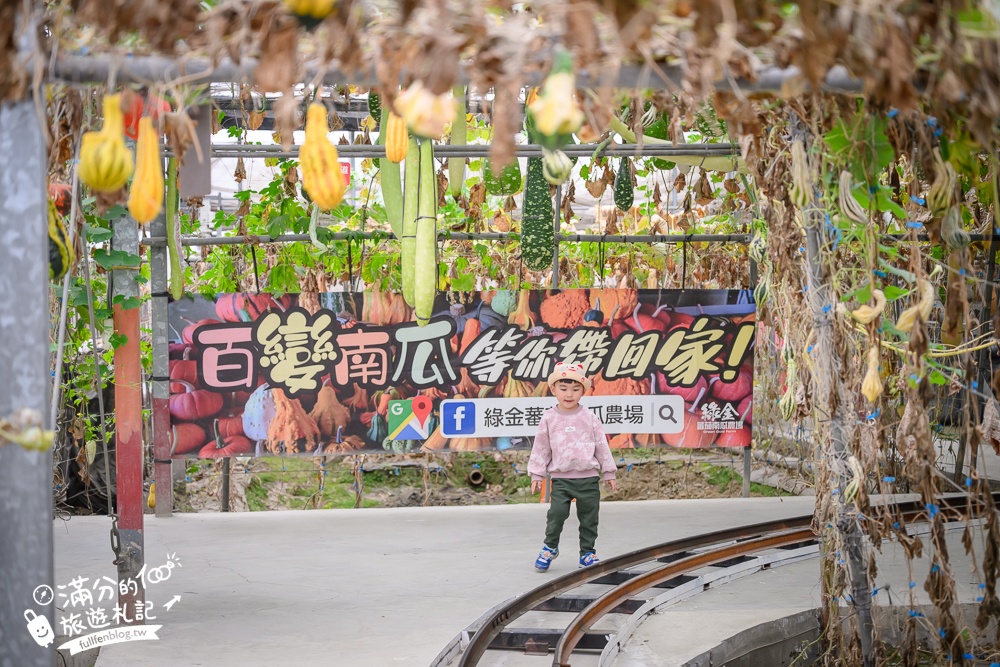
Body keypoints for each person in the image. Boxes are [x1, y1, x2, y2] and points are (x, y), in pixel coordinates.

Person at [528, 361, 617, 572]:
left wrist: (609, 471)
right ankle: (550, 547)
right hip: (561, 479)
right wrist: (536, 474)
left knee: (589, 518)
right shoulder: (549, 417)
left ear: (583, 392)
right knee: (556, 514)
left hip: (588, 479)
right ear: (553, 390)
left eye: (576, 389)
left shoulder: (589, 417)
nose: (569, 394)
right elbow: (541, 447)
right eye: (563, 388)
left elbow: (601, 445)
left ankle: (587, 553)